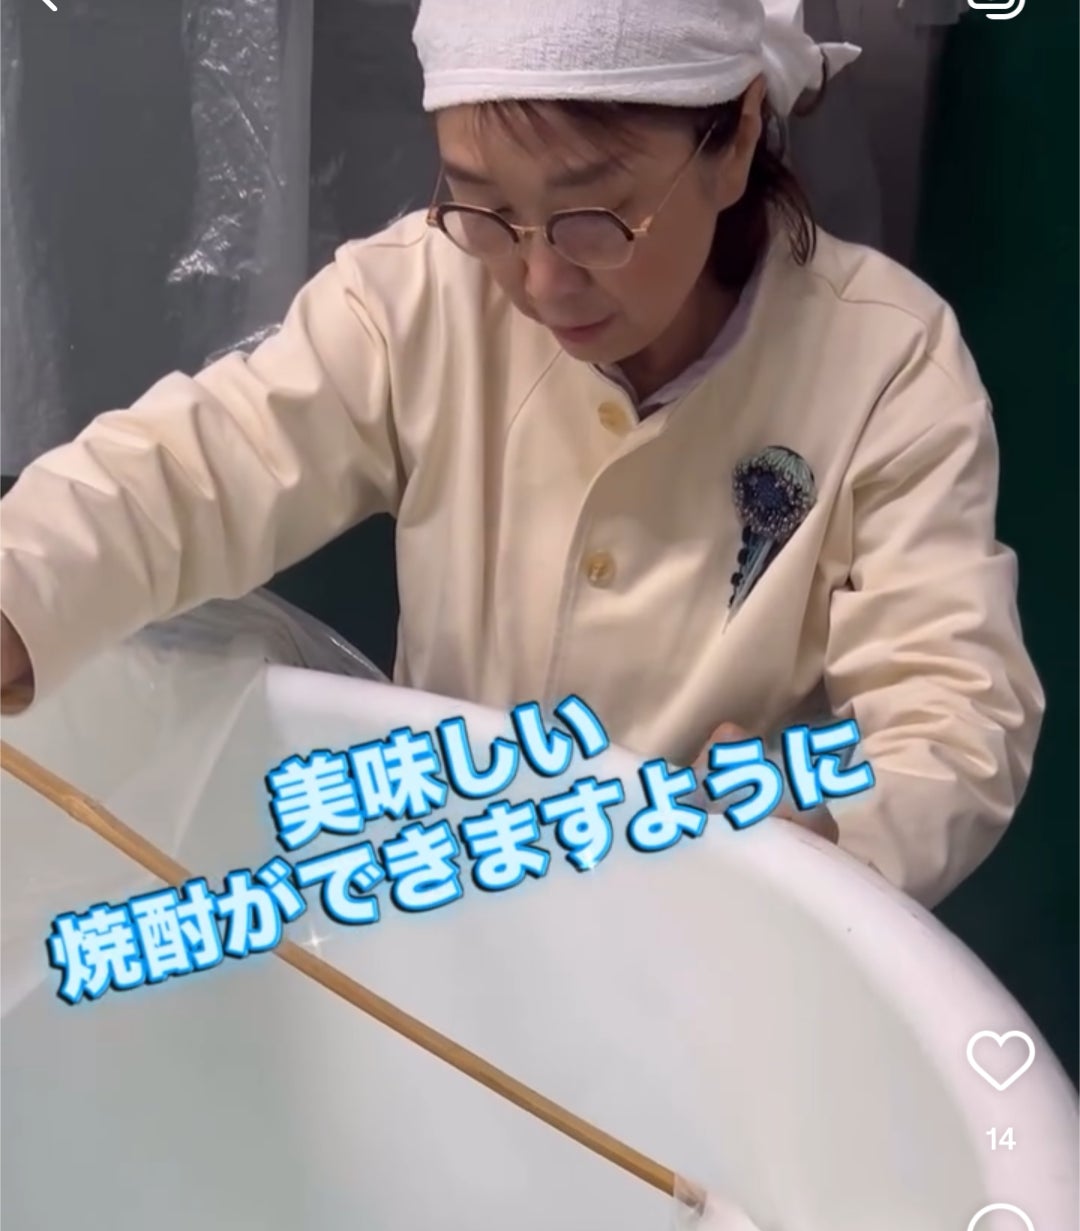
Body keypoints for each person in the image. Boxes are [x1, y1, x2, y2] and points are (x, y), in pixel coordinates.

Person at [0, 0, 1043, 911]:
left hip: (714, 943)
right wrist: (19, 588)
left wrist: (825, 828)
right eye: (488, 209)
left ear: (732, 140)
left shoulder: (884, 363)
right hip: (444, 905)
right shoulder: (423, 295)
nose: (540, 282)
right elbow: (197, 468)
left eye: (595, 218)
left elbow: (951, 711)